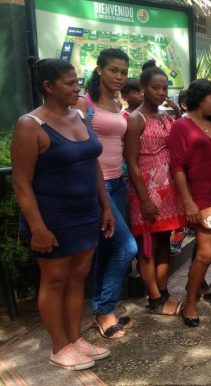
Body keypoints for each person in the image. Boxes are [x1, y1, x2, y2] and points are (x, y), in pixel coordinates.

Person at [13, 57, 114, 370]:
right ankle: (59, 346)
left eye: (77, 81)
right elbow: (21, 182)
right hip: (52, 218)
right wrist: (38, 228)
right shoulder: (30, 125)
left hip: (86, 213)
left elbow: (92, 163)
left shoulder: (81, 114)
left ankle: (75, 339)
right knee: (55, 280)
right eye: (70, 83)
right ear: (48, 86)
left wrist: (105, 206)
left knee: (77, 278)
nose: (77, 88)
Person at [74, 48, 138, 339]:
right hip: (96, 185)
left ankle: (100, 310)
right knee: (127, 248)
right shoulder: (82, 102)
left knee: (107, 250)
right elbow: (81, 150)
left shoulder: (117, 101)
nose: (119, 77)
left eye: (124, 72)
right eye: (113, 70)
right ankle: (105, 310)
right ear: (99, 69)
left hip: (117, 182)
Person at [124, 60, 186, 316]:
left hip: (168, 189)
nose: (161, 93)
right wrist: (145, 199)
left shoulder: (165, 116)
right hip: (146, 190)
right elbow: (131, 160)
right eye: (155, 88)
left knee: (163, 242)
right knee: (146, 245)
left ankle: (163, 293)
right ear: (143, 88)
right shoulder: (135, 119)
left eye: (164, 88)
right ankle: (155, 297)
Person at [169, 79, 211, 327]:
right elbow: (177, 167)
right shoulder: (180, 127)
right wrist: (189, 203)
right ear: (199, 99)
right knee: (206, 252)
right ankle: (191, 303)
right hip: (202, 198)